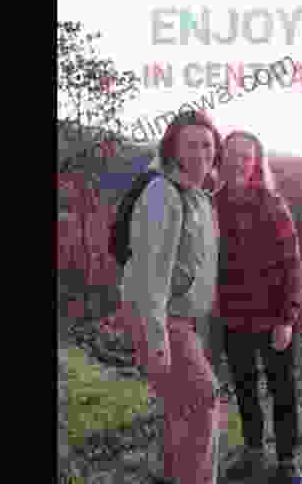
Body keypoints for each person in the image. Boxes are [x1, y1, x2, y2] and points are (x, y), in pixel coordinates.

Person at [111, 110, 224, 484]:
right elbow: (151, 274)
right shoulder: (163, 193)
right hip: (161, 317)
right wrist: (157, 341)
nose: (201, 152)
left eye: (207, 144)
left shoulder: (198, 195)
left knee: (181, 408)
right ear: (172, 148)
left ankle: (175, 476)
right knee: (204, 399)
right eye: (191, 144)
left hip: (183, 318)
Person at [215, 130, 302, 483]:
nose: (238, 160)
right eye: (233, 153)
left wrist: (287, 319)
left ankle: (286, 464)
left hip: (273, 319)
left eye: (246, 155)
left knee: (282, 391)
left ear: (255, 161)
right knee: (245, 388)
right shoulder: (213, 203)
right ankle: (253, 453)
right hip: (233, 318)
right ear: (223, 157)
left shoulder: (272, 204)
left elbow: (292, 266)